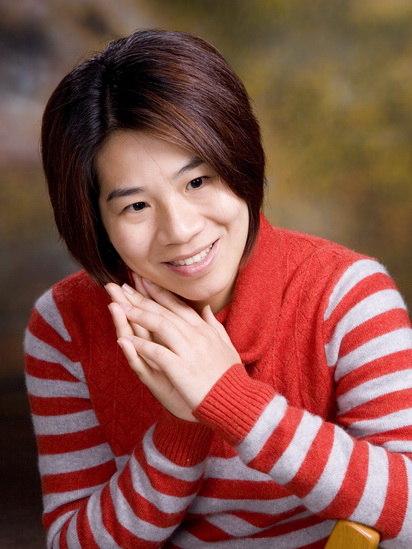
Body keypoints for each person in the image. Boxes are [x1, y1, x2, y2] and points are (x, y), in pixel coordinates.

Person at [24, 29, 412, 548]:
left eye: (197, 181)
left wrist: (230, 399)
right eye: (136, 205)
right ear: (95, 222)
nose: (181, 230)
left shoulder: (348, 295)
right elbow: (72, 542)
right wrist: (182, 425)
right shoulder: (64, 325)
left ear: (239, 161)